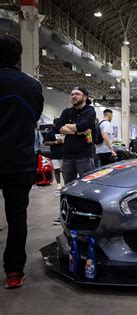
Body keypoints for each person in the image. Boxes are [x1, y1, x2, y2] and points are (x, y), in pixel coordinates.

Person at [0, 34, 44, 289]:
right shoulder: (32, 85)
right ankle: (14, 271)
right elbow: (35, 117)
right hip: (20, 161)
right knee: (17, 218)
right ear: (19, 57)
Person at [57, 87, 96, 185]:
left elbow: (82, 127)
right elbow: (58, 127)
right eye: (72, 94)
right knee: (68, 185)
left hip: (84, 155)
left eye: (77, 94)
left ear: (85, 97)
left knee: (87, 184)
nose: (73, 96)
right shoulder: (67, 111)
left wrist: (67, 125)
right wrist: (75, 132)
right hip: (67, 154)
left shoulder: (90, 111)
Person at [43, 118, 64, 191]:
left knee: (66, 170)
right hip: (55, 154)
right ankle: (58, 184)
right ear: (54, 124)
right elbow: (45, 143)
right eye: (57, 124)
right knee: (56, 170)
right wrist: (55, 142)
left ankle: (67, 184)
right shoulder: (50, 133)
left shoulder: (64, 132)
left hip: (65, 154)